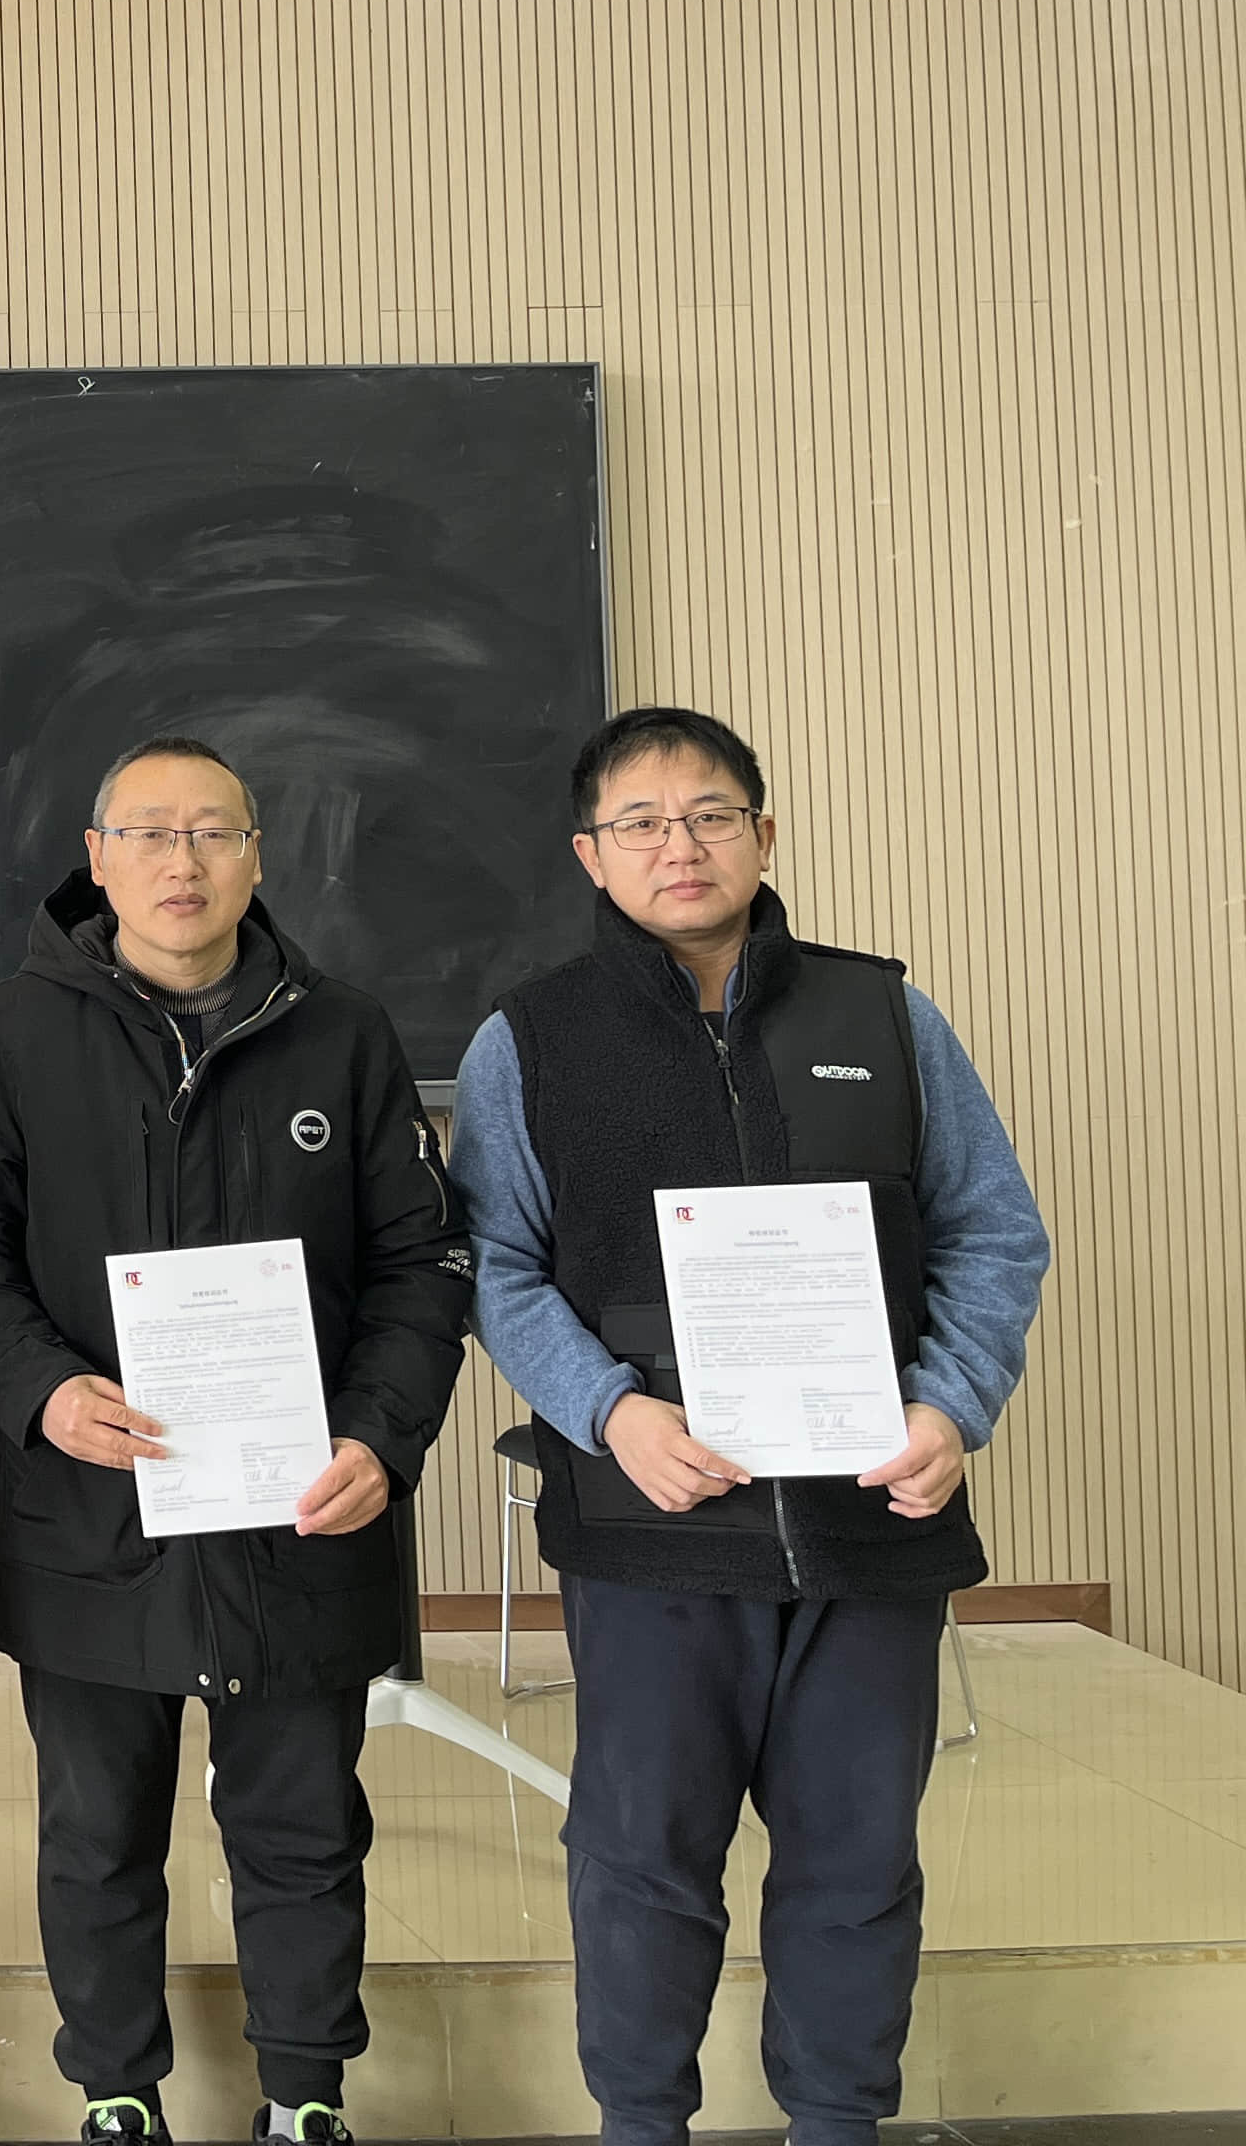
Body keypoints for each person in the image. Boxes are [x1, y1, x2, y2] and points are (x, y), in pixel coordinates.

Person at [451, 706, 1048, 2146]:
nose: (681, 845)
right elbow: (496, 1268)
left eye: (711, 814)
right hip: (654, 1529)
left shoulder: (883, 1017)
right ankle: (641, 2123)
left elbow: (992, 1232)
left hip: (870, 1527)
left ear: (763, 835)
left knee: (857, 1869)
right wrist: (609, 1414)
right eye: (642, 823)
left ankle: (837, 2122)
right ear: (592, 856)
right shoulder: (528, 1041)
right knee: (641, 1866)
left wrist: (951, 1401)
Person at [0, 737, 473, 2146]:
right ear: (97, 859)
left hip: (304, 1509)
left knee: (305, 1829)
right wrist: (41, 1390)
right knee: (96, 1833)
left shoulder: (344, 1033)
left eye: (214, 833)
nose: (184, 862)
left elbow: (420, 1264)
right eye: (151, 834)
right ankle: (117, 2091)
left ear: (256, 856)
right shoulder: (3, 1033)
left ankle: (306, 2097)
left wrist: (381, 1439)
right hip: (89, 1509)